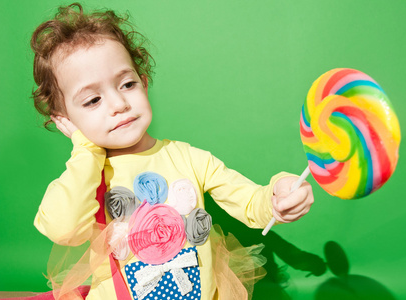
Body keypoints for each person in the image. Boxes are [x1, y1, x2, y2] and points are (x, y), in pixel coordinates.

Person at [31, 3, 314, 300]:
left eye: (127, 84)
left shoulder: (189, 158)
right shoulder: (87, 173)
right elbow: (64, 229)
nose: (118, 104)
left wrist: (278, 195)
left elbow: (249, 201)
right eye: (92, 101)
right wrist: (85, 149)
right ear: (64, 120)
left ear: (144, 83)